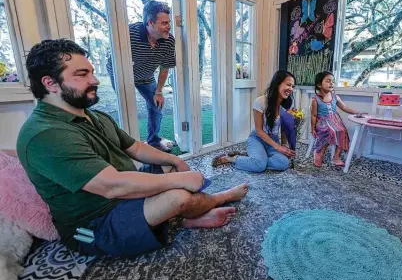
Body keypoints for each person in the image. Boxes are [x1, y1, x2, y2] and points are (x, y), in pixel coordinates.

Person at [17, 39, 248, 257]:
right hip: (95, 223)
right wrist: (181, 179)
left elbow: (135, 148)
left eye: (92, 72)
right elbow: (112, 187)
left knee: (169, 168)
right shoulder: (45, 134)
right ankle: (217, 199)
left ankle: (185, 220)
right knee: (178, 196)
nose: (95, 80)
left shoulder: (93, 116)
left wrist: (176, 162)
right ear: (50, 83)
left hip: (123, 193)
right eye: (82, 74)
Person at [107, 1, 175, 152]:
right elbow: (114, 58)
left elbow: (165, 67)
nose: (169, 26)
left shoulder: (168, 40)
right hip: (122, 74)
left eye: (168, 22)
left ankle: (154, 141)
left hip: (145, 75)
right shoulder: (129, 33)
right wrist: (122, 82)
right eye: (164, 23)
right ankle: (126, 147)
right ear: (150, 23)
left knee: (156, 105)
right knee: (125, 106)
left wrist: (159, 92)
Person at [211, 71, 296, 172]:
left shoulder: (286, 105)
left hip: (273, 140)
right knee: (259, 165)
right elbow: (259, 131)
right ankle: (231, 159)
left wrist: (284, 145)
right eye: (288, 84)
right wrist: (278, 148)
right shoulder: (260, 102)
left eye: (292, 86)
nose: (291, 89)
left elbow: (284, 128)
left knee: (283, 163)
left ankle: (254, 160)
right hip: (257, 138)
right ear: (277, 83)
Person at [311, 71, 361, 167]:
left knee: (342, 131)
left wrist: (357, 112)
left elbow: (344, 108)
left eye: (333, 81)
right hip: (322, 122)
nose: (331, 83)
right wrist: (312, 128)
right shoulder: (315, 99)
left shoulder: (335, 97)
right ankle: (319, 153)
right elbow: (313, 115)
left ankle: (336, 156)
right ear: (319, 84)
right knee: (330, 131)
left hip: (335, 121)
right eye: (328, 81)